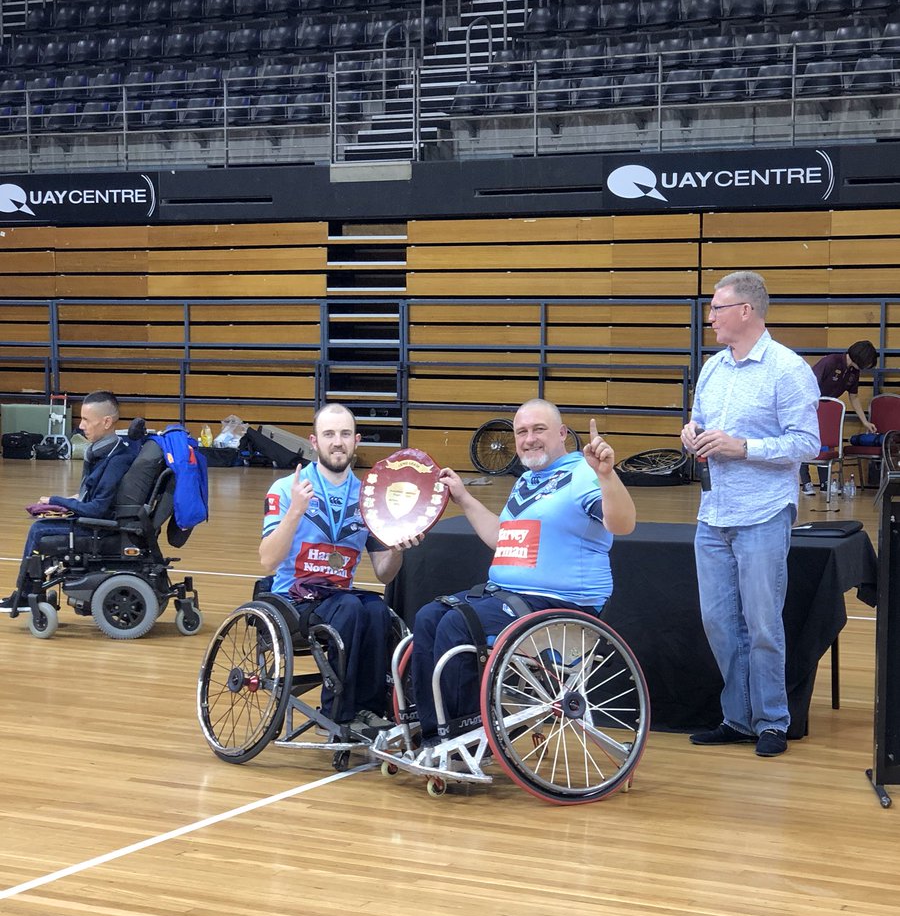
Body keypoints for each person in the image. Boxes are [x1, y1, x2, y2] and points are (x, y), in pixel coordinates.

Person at [411, 399, 636, 747]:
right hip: (508, 596)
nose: (529, 439)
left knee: (458, 624)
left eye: (539, 429)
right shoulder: (528, 481)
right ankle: (434, 730)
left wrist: (607, 476)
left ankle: (464, 735)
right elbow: (503, 539)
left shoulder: (583, 473)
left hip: (561, 606)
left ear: (562, 434)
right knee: (429, 616)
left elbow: (622, 524)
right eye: (522, 432)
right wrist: (465, 498)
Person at [681, 271, 820, 759]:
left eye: (717, 308)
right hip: (714, 511)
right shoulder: (715, 367)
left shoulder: (788, 368)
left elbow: (808, 444)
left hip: (763, 511)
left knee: (762, 623)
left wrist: (744, 448)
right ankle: (737, 717)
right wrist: (691, 434)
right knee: (719, 621)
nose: (710, 317)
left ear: (746, 311)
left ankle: (772, 721)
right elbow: (697, 419)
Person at [260, 402, 416, 731]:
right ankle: (337, 714)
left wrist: (399, 548)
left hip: (337, 597)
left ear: (356, 441)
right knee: (349, 607)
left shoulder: (368, 499)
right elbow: (267, 559)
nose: (337, 442)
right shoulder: (288, 489)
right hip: (292, 599)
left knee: (376, 609)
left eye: (345, 434)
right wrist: (295, 513)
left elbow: (384, 573)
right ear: (314, 441)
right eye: (329, 434)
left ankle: (368, 711)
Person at [1, 391, 139, 613]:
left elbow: (97, 509)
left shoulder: (116, 460)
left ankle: (26, 595)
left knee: (38, 530)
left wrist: (59, 501)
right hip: (100, 519)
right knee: (44, 521)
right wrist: (63, 503)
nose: (81, 426)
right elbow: (94, 497)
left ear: (106, 422)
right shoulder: (109, 452)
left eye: (86, 420)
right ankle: (30, 590)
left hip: (102, 529)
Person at [800, 339, 879, 494]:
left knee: (825, 445)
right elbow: (808, 385)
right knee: (806, 443)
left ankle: (824, 483)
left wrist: (865, 421)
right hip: (809, 407)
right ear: (861, 357)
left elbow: (854, 397)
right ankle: (806, 483)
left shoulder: (854, 372)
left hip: (827, 411)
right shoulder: (831, 361)